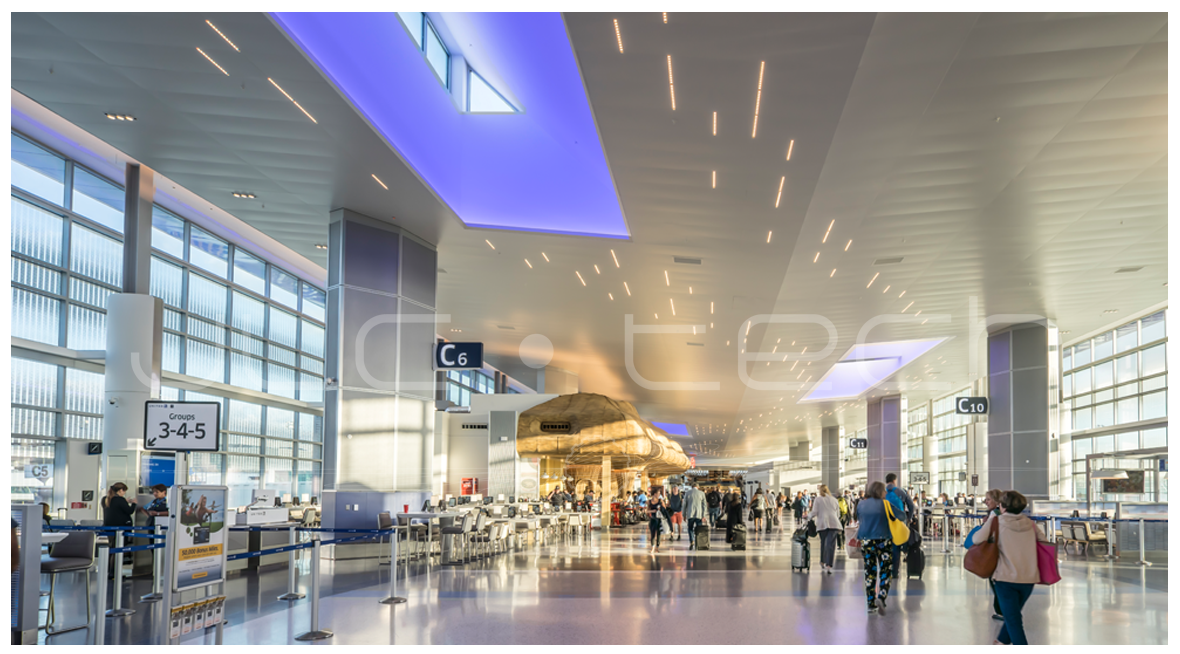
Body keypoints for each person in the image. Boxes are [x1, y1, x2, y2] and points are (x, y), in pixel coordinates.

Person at [971, 490, 1050, 645]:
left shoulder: (997, 522)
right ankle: (1001, 641)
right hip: (1029, 578)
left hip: (1005, 578)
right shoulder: (1030, 524)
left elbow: (976, 539)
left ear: (1002, 506)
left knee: (1013, 621)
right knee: (1013, 616)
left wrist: (990, 520)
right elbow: (1045, 542)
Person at [856, 481, 895, 614]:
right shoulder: (886, 504)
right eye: (884, 490)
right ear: (880, 491)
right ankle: (882, 596)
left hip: (866, 541)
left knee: (870, 572)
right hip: (883, 540)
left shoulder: (861, 504)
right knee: (886, 569)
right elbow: (899, 516)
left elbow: (859, 518)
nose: (885, 492)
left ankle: (870, 603)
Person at [982, 488, 1006, 622]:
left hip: (995, 551)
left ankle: (1000, 610)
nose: (986, 502)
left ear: (997, 501)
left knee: (995, 580)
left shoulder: (993, 515)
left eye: (988, 499)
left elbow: (985, 533)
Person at [885, 473, 915, 578]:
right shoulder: (901, 491)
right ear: (894, 480)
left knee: (885, 546)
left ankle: (885, 570)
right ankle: (895, 572)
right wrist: (909, 518)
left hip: (885, 522)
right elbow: (911, 506)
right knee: (896, 545)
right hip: (899, 522)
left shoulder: (882, 492)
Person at [807, 484, 841, 574]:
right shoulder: (834, 499)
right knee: (831, 544)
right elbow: (838, 514)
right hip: (834, 523)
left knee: (823, 543)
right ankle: (829, 564)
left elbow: (814, 512)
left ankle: (822, 561)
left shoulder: (818, 499)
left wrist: (807, 516)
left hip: (822, 524)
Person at [682, 482, 708, 550]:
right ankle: (698, 542)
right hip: (699, 515)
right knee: (698, 529)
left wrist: (684, 515)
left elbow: (684, 505)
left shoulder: (688, 493)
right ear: (698, 487)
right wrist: (704, 515)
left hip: (690, 514)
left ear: (692, 486)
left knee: (690, 528)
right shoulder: (701, 493)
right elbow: (704, 505)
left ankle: (692, 541)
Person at [647, 487, 668, 553]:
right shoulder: (649, 501)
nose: (659, 494)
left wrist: (661, 509)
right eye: (658, 493)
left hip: (659, 520)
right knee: (653, 534)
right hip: (653, 519)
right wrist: (652, 510)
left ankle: (657, 547)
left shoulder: (660, 501)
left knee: (659, 534)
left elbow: (665, 509)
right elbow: (646, 511)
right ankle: (653, 547)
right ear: (655, 494)